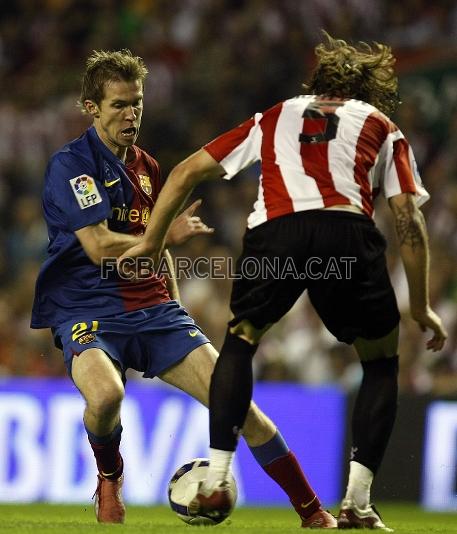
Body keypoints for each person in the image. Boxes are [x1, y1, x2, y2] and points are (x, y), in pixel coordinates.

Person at [120, 33, 448, 530]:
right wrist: (420, 304)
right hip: (346, 235)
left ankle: (215, 479)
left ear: (315, 82)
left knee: (241, 340)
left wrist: (150, 241)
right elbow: (407, 217)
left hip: (276, 234)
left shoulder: (274, 116)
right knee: (380, 364)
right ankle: (357, 503)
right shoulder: (381, 125)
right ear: (367, 90)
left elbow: (186, 171)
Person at [31, 49, 337, 529]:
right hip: (86, 309)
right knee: (107, 397)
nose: (130, 113)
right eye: (118, 105)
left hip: (153, 310)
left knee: (240, 409)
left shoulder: (150, 170)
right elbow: (96, 246)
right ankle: (110, 476)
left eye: (136, 103)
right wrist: (159, 236)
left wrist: (173, 307)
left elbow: (159, 253)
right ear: (91, 107)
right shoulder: (71, 165)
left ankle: (313, 511)